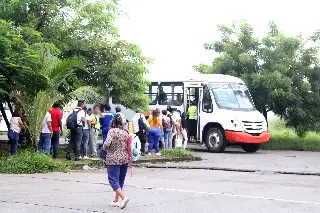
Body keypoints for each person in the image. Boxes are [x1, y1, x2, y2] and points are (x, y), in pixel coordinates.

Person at [103, 114, 130, 209]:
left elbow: (107, 143)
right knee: (120, 180)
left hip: (113, 158)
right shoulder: (125, 132)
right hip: (125, 158)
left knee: (113, 180)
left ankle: (124, 197)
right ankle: (116, 200)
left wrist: (104, 148)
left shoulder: (112, 131)